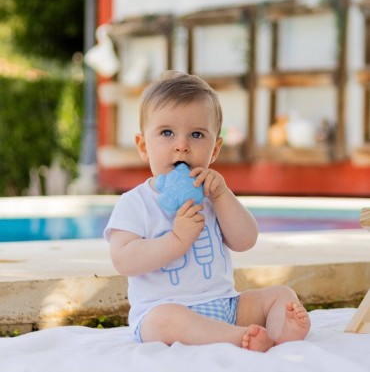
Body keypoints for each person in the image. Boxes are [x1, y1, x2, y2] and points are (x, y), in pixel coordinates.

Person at [104, 70, 311, 352]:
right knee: (167, 320)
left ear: (214, 149)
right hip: (164, 311)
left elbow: (245, 240)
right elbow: (124, 260)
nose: (182, 145)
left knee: (280, 294)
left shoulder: (214, 195)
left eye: (197, 134)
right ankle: (236, 338)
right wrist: (176, 240)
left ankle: (281, 331)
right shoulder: (135, 202)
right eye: (167, 133)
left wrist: (223, 195)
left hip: (225, 304)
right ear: (143, 146)